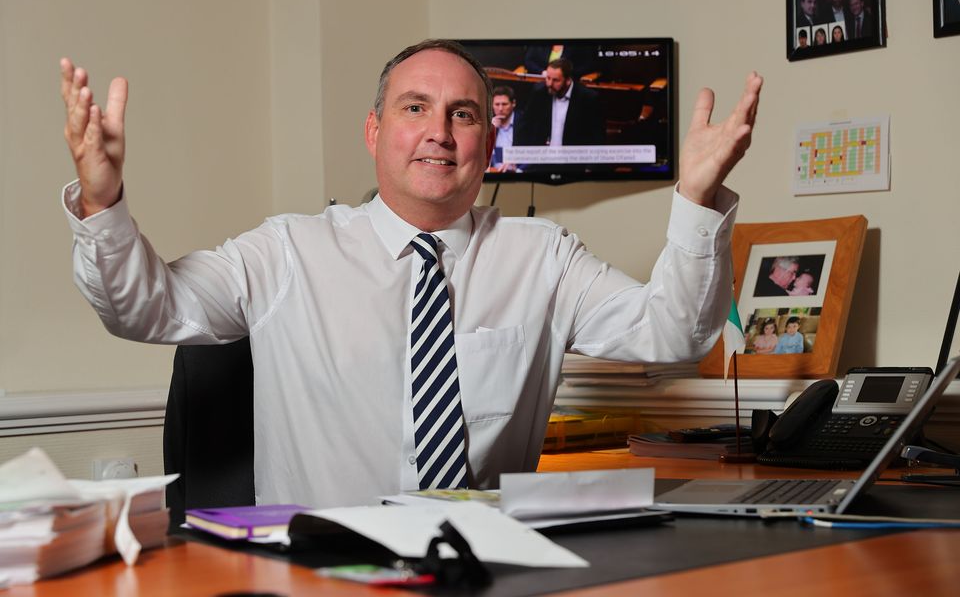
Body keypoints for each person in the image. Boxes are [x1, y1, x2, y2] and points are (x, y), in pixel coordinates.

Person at [59, 39, 763, 508]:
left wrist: (695, 201)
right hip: (322, 577)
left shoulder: (542, 256)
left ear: (488, 144)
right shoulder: (286, 253)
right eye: (415, 108)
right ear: (374, 132)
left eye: (463, 115)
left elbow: (672, 333)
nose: (440, 132)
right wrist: (101, 201)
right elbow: (144, 309)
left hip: (487, 569)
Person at [514, 58, 605, 147]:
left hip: (572, 158)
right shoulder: (539, 92)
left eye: (555, 80)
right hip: (543, 156)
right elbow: (525, 125)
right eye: (548, 78)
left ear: (568, 80)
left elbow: (596, 137)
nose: (549, 84)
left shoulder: (588, 98)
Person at [489, 86, 518, 171]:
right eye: (497, 104)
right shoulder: (488, 125)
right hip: (494, 174)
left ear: (513, 103)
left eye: (504, 104)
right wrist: (490, 131)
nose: (500, 108)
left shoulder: (523, 124)